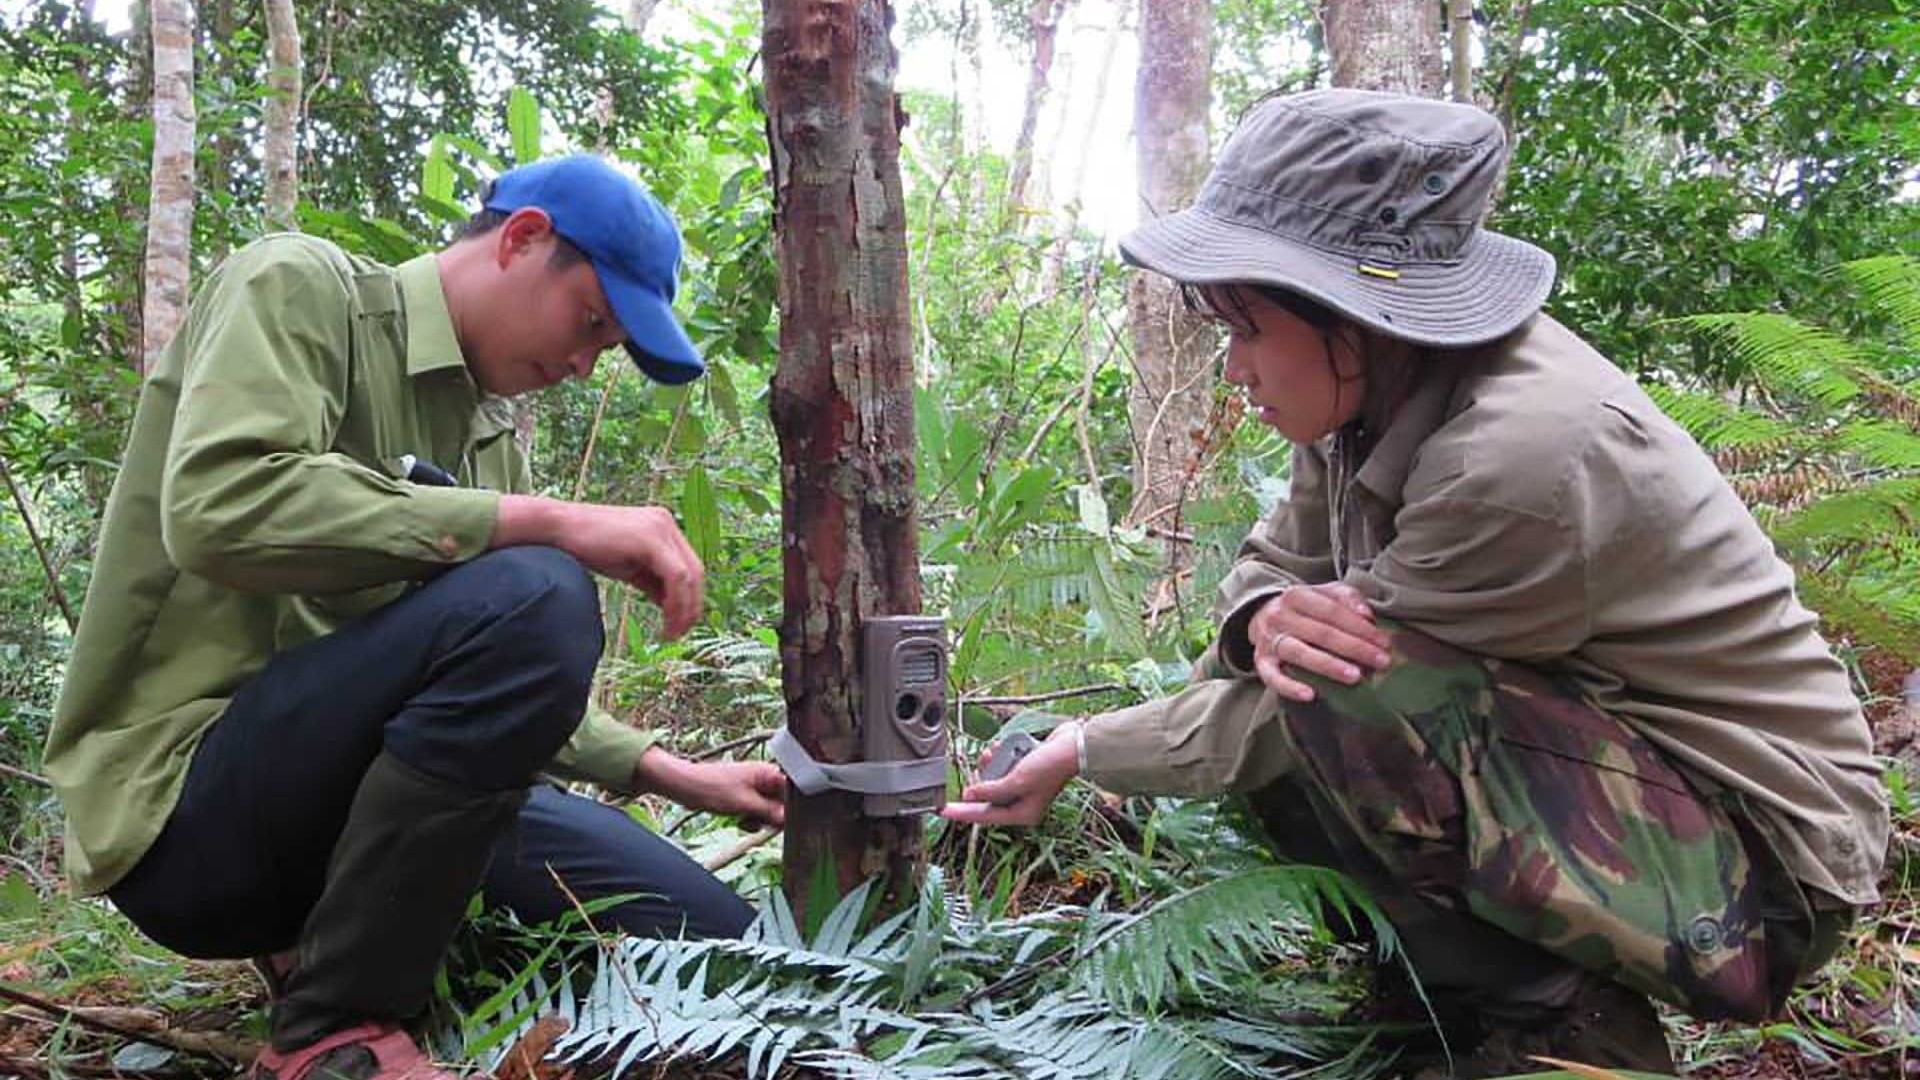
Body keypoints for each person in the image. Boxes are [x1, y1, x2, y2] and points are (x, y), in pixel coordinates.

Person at [942, 90, 1888, 1075]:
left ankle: (1562, 1035)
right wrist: (1262, 618)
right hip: (1626, 796)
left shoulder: (1518, 454)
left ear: (1345, 312)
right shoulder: (1362, 391)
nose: (1233, 369)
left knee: (1338, 699)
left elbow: (1324, 699)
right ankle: (1443, 1004)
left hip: (1766, 877)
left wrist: (1086, 747)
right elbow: (1271, 574)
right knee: (1309, 680)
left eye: (1248, 328)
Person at [44, 154, 787, 1080]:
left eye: (605, 351)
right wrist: (550, 523)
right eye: (593, 323)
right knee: (541, 588)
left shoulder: (484, 435)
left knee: (719, 945)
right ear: (523, 240)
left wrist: (676, 774)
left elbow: (492, 685)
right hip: (191, 821)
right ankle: (333, 1026)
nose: (580, 364)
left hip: (365, 808)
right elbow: (217, 511)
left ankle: (342, 940)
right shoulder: (298, 287)